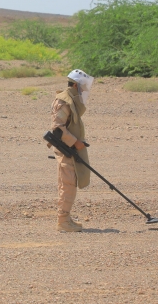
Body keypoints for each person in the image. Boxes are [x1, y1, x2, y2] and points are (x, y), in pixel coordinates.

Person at [48, 69, 94, 232]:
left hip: (71, 148)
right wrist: (75, 143)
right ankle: (63, 221)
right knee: (67, 185)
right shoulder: (63, 101)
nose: (84, 91)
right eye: (83, 87)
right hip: (67, 149)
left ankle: (66, 218)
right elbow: (58, 130)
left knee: (70, 184)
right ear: (75, 85)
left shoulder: (71, 100)